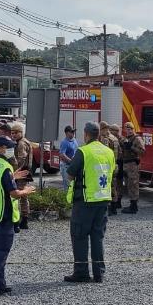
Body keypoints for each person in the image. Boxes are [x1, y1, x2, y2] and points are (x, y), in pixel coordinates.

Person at [0, 137, 35, 303]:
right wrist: (27, 191)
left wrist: (13, 176)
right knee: (1, 253)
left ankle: (0, 285)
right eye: (10, 148)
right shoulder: (5, 167)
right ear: (1, 148)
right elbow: (14, 193)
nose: (12, 151)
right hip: (4, 216)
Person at [64, 121, 115, 284]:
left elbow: (70, 174)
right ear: (98, 134)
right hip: (103, 200)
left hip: (85, 200)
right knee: (97, 237)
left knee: (79, 236)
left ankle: (81, 272)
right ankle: (99, 273)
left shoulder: (83, 152)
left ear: (86, 134)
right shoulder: (108, 152)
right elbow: (112, 171)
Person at [119, 122, 147, 214]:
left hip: (133, 164)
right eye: (127, 129)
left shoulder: (137, 139)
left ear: (133, 129)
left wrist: (131, 147)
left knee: (133, 184)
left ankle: (134, 207)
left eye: (130, 129)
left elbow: (142, 151)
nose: (129, 131)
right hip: (126, 164)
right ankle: (132, 204)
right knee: (128, 185)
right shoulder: (126, 138)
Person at [10, 122, 34, 230]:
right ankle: (24, 219)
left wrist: (15, 171)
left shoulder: (21, 144)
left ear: (21, 133)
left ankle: (21, 220)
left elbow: (21, 159)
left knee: (18, 195)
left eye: (15, 133)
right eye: (12, 133)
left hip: (21, 173)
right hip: (25, 172)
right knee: (23, 196)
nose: (13, 135)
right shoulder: (24, 141)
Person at [98, 122, 121, 216]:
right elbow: (120, 153)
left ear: (103, 129)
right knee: (114, 185)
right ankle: (114, 207)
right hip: (115, 165)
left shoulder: (105, 140)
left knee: (107, 186)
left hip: (107, 166)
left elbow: (104, 153)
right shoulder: (115, 138)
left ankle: (110, 208)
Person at [59, 126, 78, 191]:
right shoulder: (65, 142)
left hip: (72, 165)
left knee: (73, 185)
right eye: (71, 132)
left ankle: (71, 200)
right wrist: (70, 161)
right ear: (67, 133)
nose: (73, 133)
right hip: (66, 166)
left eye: (74, 132)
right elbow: (62, 154)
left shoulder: (74, 140)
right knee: (68, 186)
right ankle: (66, 200)